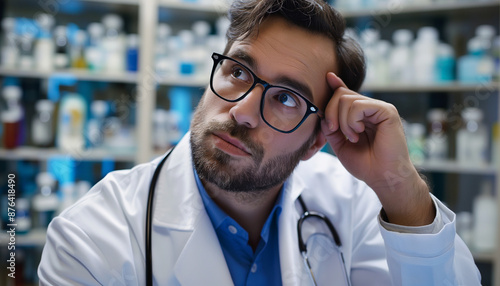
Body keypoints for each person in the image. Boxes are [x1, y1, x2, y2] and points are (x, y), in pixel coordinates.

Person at [38, 0, 481, 285]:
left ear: (315, 142)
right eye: (237, 73)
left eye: (287, 98)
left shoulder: (355, 204)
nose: (243, 111)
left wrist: (399, 184)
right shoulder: (90, 238)